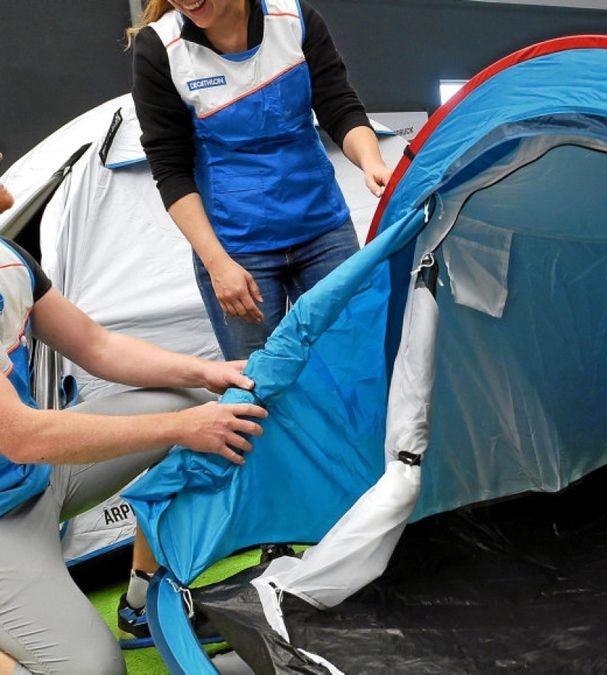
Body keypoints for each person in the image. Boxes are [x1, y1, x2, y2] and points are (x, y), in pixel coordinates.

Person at [0, 170, 269, 674]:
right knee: (96, 671)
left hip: (32, 478)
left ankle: (142, 599)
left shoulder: (8, 257)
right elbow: (22, 436)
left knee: (185, 396)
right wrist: (184, 426)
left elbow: (96, 347)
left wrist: (203, 372)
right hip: (11, 492)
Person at [128, 0, 391, 363]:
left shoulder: (294, 18)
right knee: (259, 386)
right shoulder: (161, 48)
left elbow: (339, 106)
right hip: (236, 249)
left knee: (354, 361)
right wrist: (217, 264)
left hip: (322, 230)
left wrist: (371, 160)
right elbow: (170, 168)